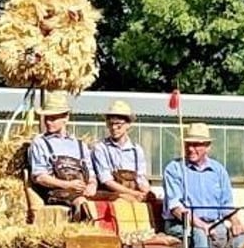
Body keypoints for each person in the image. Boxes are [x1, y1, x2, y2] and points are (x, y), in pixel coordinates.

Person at [162, 122, 244, 248]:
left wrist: (236, 222)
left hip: (215, 225)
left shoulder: (218, 170)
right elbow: (176, 208)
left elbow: (226, 205)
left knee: (241, 239)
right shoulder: (174, 169)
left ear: (207, 147)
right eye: (188, 144)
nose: (191, 149)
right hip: (180, 225)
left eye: (197, 145)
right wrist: (202, 225)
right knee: (199, 234)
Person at [28, 91, 96, 219]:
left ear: (66, 117)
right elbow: (39, 177)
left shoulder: (80, 145)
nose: (48, 122)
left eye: (53, 118)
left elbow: (91, 174)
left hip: (82, 191)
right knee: (82, 204)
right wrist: (67, 185)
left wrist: (92, 185)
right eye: (46, 118)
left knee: (116, 200)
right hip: (55, 193)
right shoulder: (40, 142)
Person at [91, 100, 151, 202]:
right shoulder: (100, 148)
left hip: (134, 195)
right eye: (110, 124)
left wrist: (146, 191)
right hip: (110, 196)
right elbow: (107, 181)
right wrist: (133, 193)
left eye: (118, 124)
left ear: (128, 124)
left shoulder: (137, 150)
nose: (114, 128)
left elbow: (141, 178)